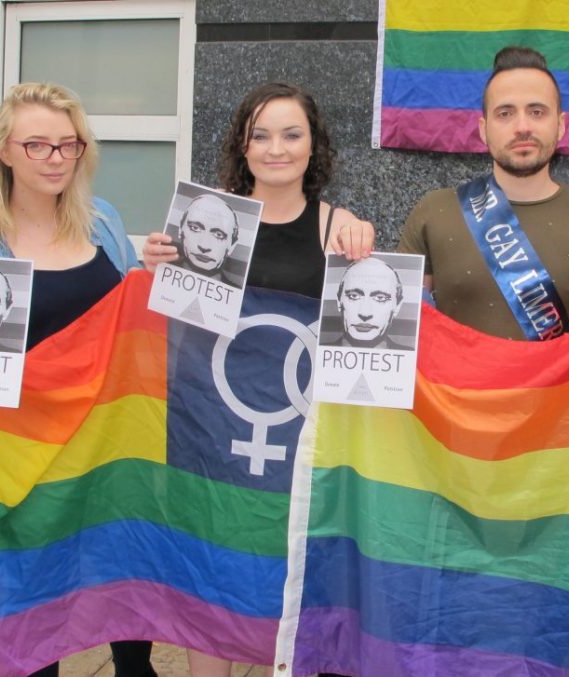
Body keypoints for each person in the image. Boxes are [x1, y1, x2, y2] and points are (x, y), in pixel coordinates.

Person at [0, 83, 155, 677]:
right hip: (19, 463)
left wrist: (158, 276)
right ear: (5, 152)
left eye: (67, 145)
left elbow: (127, 324)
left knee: (127, 606)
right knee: (27, 624)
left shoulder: (104, 225)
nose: (55, 159)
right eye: (38, 145)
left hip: (104, 456)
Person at [142, 81, 374, 677]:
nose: (277, 148)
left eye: (291, 134)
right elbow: (163, 325)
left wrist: (364, 255)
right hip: (208, 438)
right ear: (241, 146)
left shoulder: (338, 229)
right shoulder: (207, 221)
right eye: (261, 135)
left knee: (295, 577)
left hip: (300, 446)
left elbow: (369, 322)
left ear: (312, 144)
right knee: (210, 579)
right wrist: (150, 271)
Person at [397, 45, 569, 339]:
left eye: (537, 112)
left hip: (562, 387)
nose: (522, 127)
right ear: (483, 129)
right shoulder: (434, 211)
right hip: (458, 386)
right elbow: (401, 333)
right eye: (505, 113)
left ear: (560, 125)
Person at [332, 257, 410, 349]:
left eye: (380, 298)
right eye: (353, 296)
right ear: (339, 301)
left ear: (397, 306)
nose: (365, 313)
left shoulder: (413, 361)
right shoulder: (316, 354)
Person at [174, 193, 241, 285]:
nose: (204, 246)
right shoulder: (158, 270)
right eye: (195, 228)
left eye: (218, 235)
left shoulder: (238, 296)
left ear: (232, 246)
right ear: (180, 229)